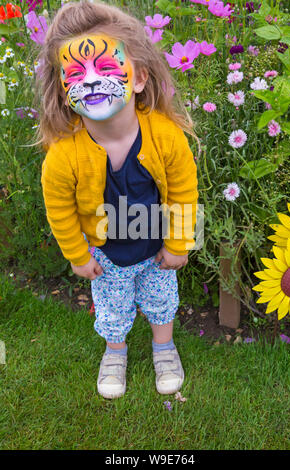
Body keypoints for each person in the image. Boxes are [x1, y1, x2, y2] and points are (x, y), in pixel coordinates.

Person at [39, 0, 199, 399]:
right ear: (62, 89)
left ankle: (164, 347)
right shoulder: (62, 155)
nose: (91, 81)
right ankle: (115, 353)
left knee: (162, 302)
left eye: (106, 68)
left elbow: (183, 191)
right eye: (76, 74)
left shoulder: (165, 136)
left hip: (155, 248)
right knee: (112, 311)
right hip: (106, 255)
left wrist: (179, 244)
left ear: (140, 77)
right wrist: (78, 255)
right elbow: (59, 211)